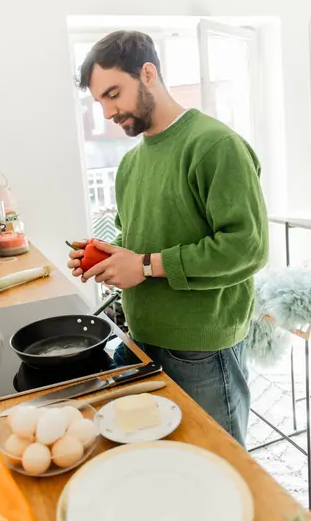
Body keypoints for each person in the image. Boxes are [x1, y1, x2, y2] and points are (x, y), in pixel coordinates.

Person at [68, 30, 268, 446]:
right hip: (144, 339)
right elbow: (138, 237)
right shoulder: (130, 164)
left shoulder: (215, 145)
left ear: (148, 73)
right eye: (100, 101)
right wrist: (108, 257)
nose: (107, 111)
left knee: (221, 464)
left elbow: (246, 247)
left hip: (202, 349)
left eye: (113, 93)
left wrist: (143, 265)